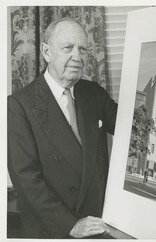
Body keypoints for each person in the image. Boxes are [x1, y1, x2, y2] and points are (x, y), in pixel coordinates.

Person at [8, 18, 118, 239]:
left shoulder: (94, 94)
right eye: (68, 47)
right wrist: (70, 225)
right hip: (53, 228)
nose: (77, 57)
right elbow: (26, 178)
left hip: (97, 222)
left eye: (83, 49)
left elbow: (128, 129)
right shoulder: (18, 105)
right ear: (47, 52)